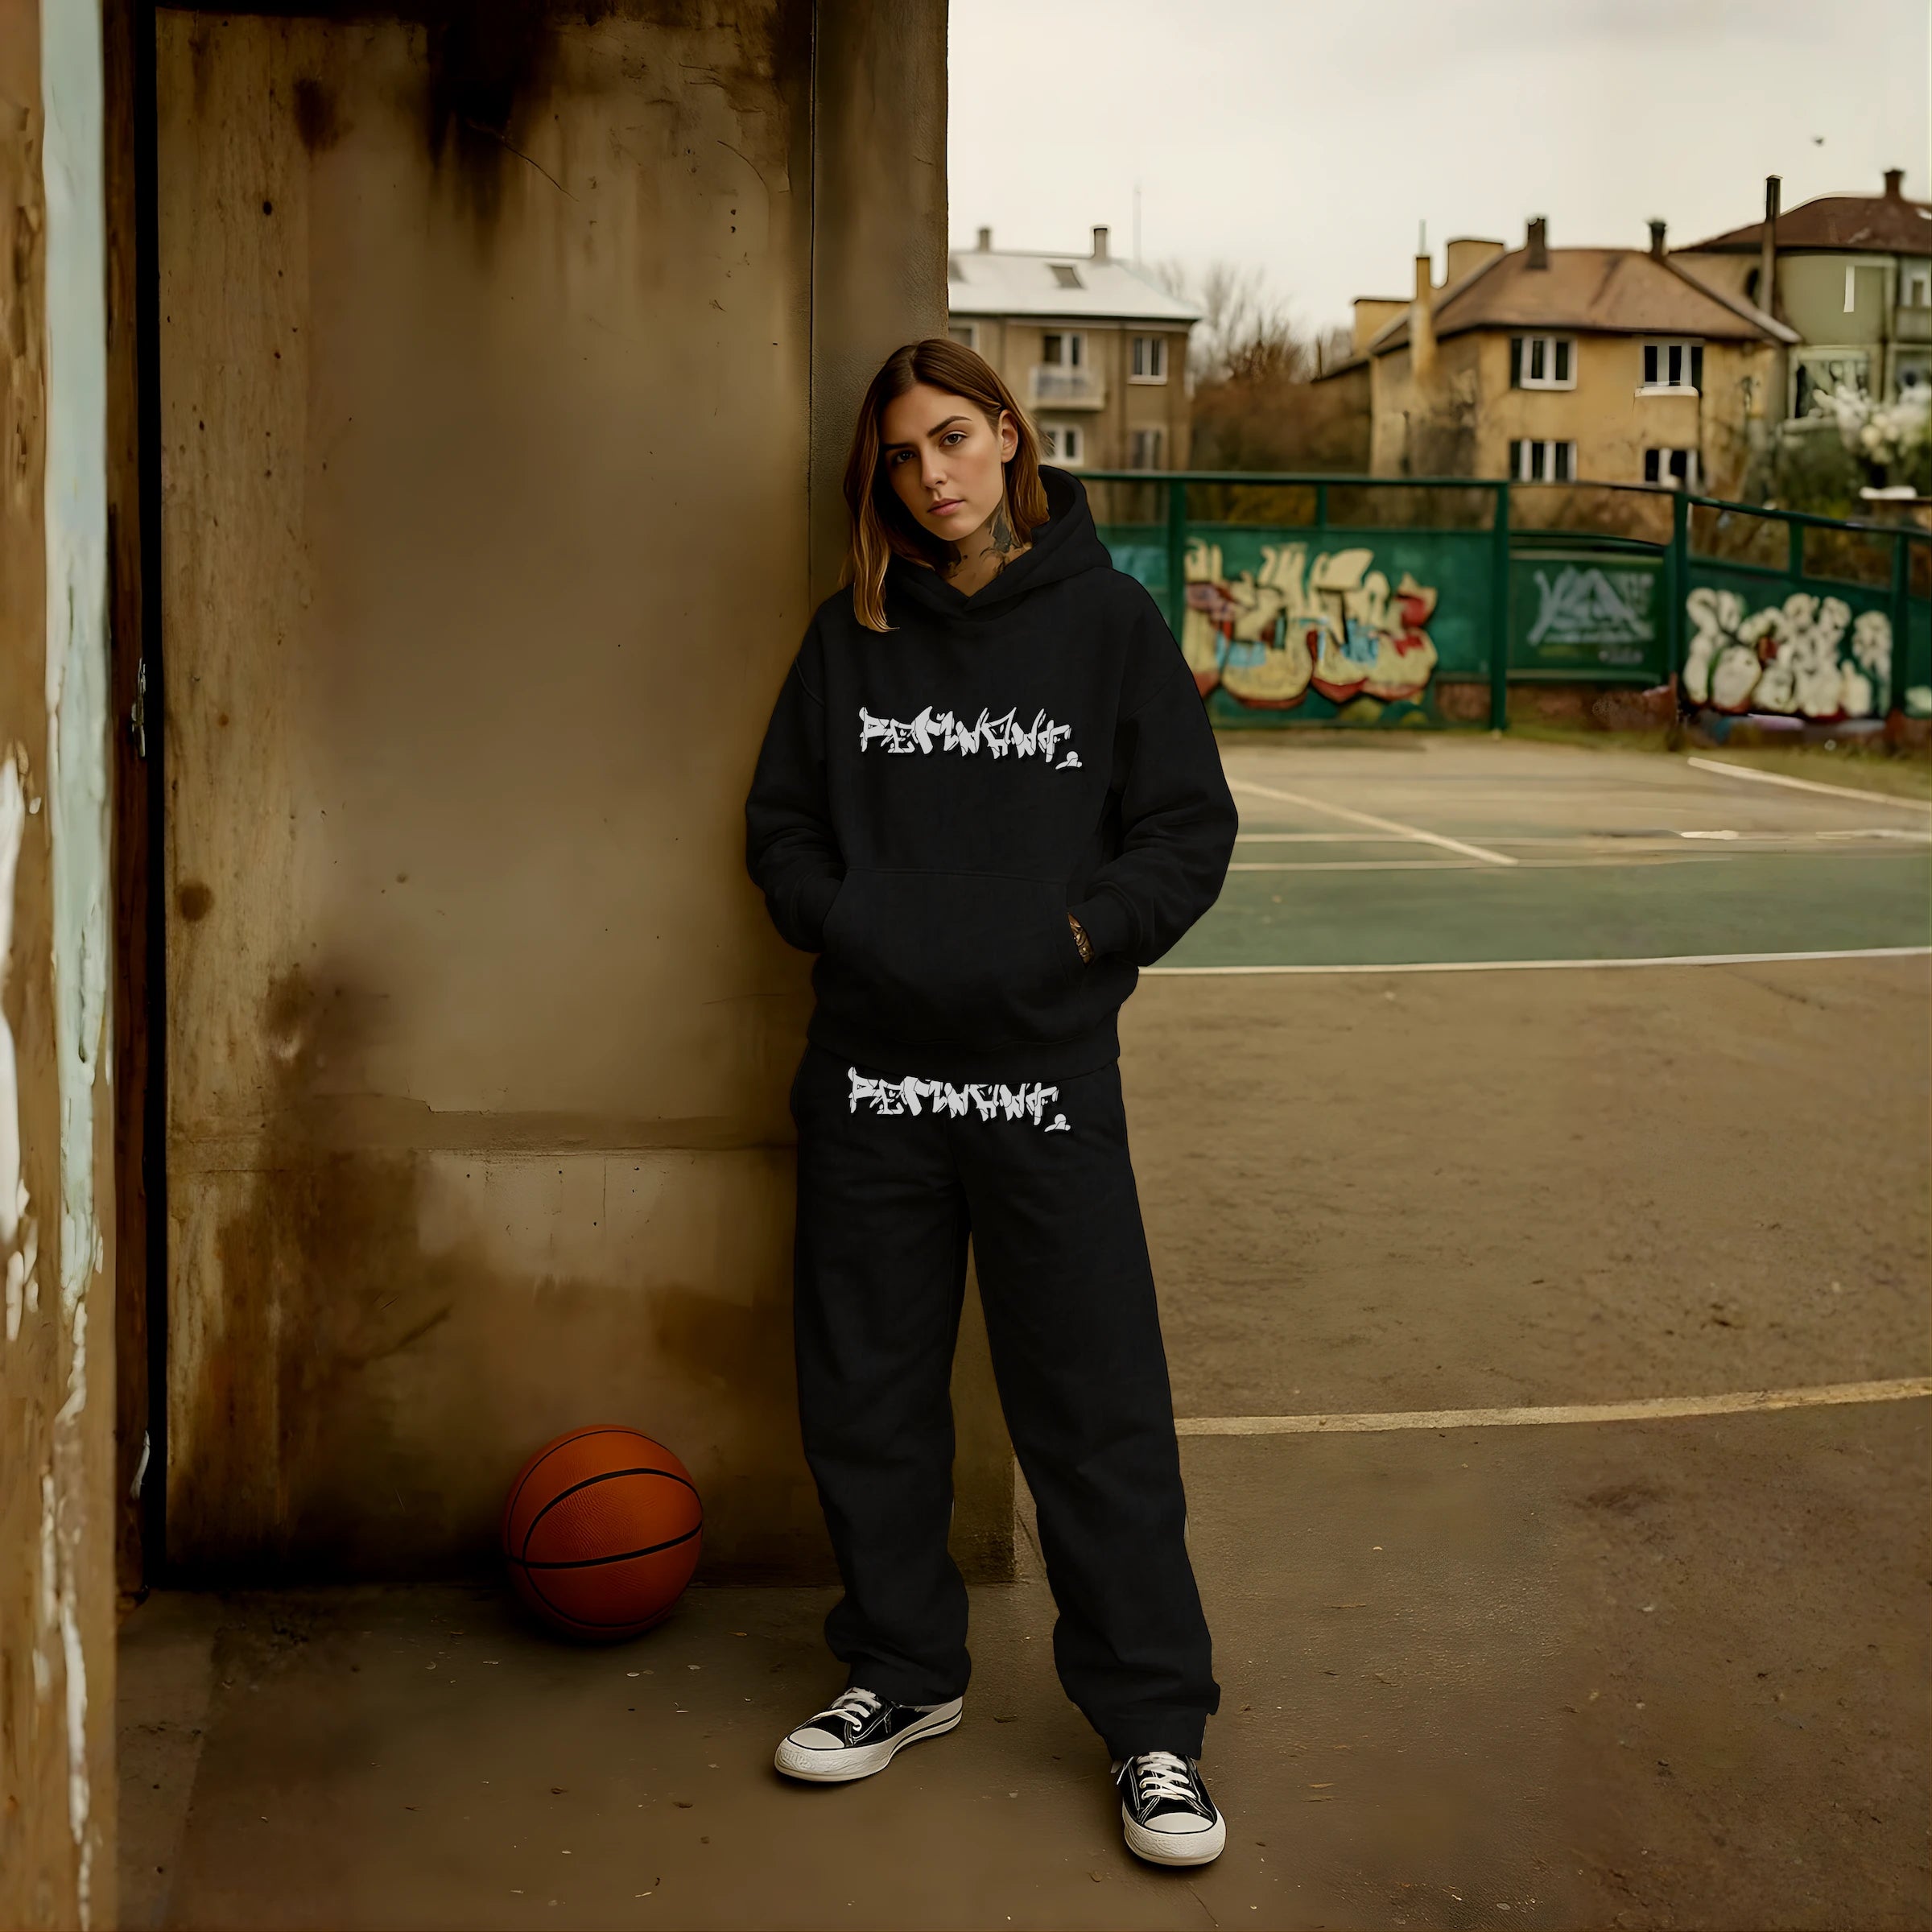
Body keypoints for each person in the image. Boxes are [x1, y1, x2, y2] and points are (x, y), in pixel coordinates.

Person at [743, 336, 1237, 1868]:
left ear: (1012, 436)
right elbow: (782, 829)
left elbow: (1185, 828)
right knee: (870, 1392)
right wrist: (859, 924)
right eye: (902, 454)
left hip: (1042, 1080)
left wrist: (1077, 937)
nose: (933, 474)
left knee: (1093, 1409)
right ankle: (901, 1674)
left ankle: (1153, 1726)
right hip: (874, 1082)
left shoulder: (1106, 627)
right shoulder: (851, 639)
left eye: (953, 437)